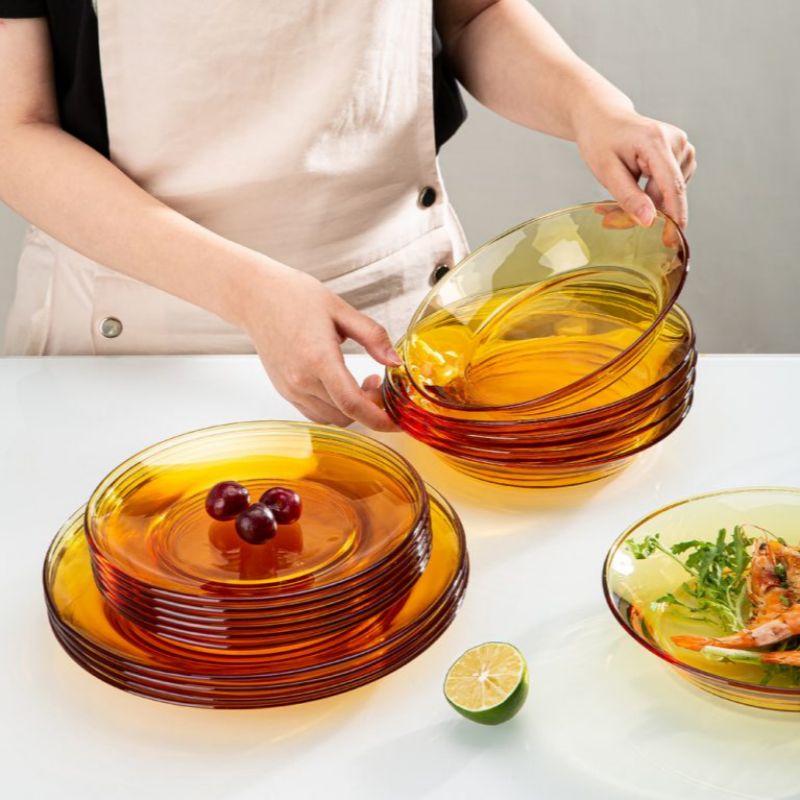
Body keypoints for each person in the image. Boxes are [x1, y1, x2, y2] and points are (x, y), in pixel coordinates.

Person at [0, 1, 695, 431]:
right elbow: (15, 129)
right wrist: (249, 292)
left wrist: (590, 106)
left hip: (395, 331)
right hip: (135, 339)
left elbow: (470, 14)